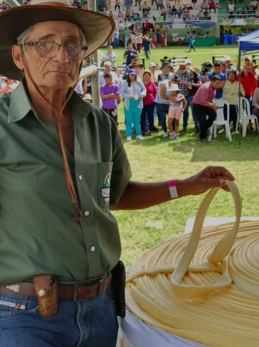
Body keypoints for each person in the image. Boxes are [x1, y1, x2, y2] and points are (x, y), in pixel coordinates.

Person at [0, 1, 234, 345]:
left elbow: (116, 195)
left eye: (72, 45)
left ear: (83, 57)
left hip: (101, 309)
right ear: (19, 57)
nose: (61, 56)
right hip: (26, 315)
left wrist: (187, 186)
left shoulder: (98, 123)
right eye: (45, 43)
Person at [192, 76, 223, 141]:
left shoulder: (214, 87)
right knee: (202, 121)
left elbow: (209, 99)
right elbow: (204, 101)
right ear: (212, 81)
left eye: (219, 83)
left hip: (205, 105)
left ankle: (204, 130)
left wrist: (213, 105)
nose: (218, 85)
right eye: (217, 83)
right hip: (197, 105)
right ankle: (202, 137)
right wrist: (213, 105)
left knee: (213, 115)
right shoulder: (205, 88)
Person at [121, 69, 146, 141]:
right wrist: (129, 96)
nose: (132, 76)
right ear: (128, 75)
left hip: (138, 103)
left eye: (134, 75)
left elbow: (144, 90)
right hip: (128, 103)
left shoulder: (139, 82)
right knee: (128, 120)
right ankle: (129, 135)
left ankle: (138, 134)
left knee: (137, 120)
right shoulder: (125, 83)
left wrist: (141, 94)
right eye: (131, 75)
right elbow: (122, 92)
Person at [140, 71, 158, 136]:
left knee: (151, 116)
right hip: (142, 103)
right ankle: (143, 130)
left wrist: (155, 101)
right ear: (143, 76)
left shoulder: (152, 84)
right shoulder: (140, 83)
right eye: (145, 75)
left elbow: (155, 93)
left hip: (151, 102)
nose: (147, 76)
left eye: (148, 75)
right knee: (143, 117)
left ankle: (151, 130)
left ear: (150, 76)